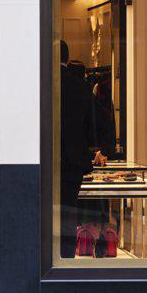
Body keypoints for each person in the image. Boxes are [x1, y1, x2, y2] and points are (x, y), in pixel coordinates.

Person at [59, 41, 94, 259]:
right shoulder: (80, 86)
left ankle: (43, 257)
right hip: (73, 161)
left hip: (46, 159)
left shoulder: (41, 83)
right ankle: (65, 257)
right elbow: (90, 127)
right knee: (69, 211)